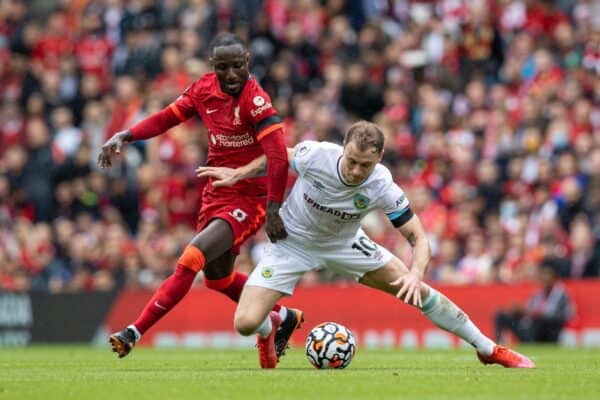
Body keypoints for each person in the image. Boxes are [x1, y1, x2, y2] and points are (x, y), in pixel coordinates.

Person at [197, 121, 536, 369]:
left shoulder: (381, 184)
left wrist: (416, 273)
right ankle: (270, 326)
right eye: (352, 161)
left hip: (346, 244)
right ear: (343, 148)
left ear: (380, 156)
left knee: (420, 292)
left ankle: (488, 348)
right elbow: (277, 158)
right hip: (292, 243)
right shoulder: (317, 155)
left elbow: (419, 237)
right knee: (244, 323)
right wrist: (239, 173)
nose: (357, 170)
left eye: (366, 164)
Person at [98, 33, 303, 360]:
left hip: (248, 198)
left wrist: (274, 208)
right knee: (218, 280)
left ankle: (134, 331)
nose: (233, 74)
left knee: (191, 258)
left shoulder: (256, 100)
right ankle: (279, 317)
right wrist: (127, 134)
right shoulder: (203, 89)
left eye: (238, 66)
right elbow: (166, 118)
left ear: (247, 62)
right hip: (215, 194)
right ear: (214, 67)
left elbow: (278, 156)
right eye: (224, 68)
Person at [495, 259, 574, 344]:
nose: (544, 278)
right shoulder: (538, 293)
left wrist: (526, 312)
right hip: (533, 324)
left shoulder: (560, 293)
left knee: (539, 321)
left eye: (547, 274)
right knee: (502, 315)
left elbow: (550, 314)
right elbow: (529, 309)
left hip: (551, 329)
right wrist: (519, 311)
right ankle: (500, 343)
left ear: (554, 277)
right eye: (542, 275)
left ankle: (529, 340)